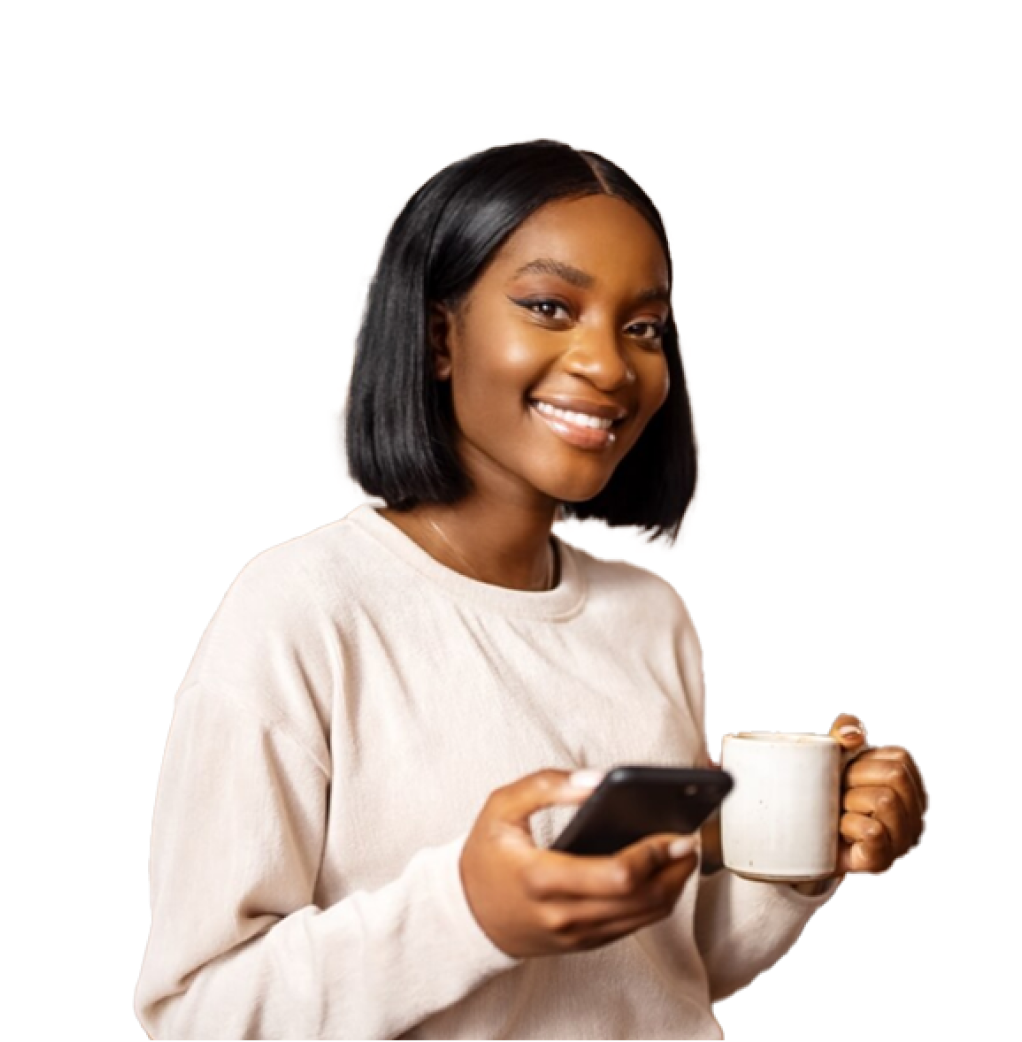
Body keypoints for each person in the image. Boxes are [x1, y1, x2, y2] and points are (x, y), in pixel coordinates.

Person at [133, 138, 930, 1040]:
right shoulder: (302, 610)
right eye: (550, 306)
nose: (610, 365)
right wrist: (468, 917)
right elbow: (196, 1012)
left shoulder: (651, 619)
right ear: (440, 336)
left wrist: (799, 851)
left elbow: (664, 976)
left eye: (643, 327)